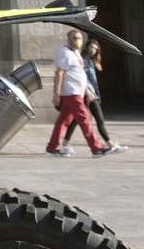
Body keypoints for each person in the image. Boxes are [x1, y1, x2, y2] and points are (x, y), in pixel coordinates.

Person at [47, 30, 123, 158]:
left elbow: (80, 74)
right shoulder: (64, 52)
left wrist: (87, 91)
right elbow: (59, 73)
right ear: (69, 39)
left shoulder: (76, 53)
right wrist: (56, 94)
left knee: (63, 121)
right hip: (72, 93)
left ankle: (52, 148)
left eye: (80, 38)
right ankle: (96, 148)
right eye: (75, 38)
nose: (78, 40)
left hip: (78, 92)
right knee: (84, 120)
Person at [62, 39, 127, 154]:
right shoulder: (82, 60)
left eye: (96, 49)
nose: (94, 50)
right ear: (86, 47)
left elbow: (94, 82)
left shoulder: (90, 62)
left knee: (84, 120)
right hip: (86, 94)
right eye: (92, 47)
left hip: (93, 95)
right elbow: (82, 79)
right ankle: (110, 145)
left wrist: (98, 96)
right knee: (84, 120)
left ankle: (65, 144)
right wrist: (88, 92)